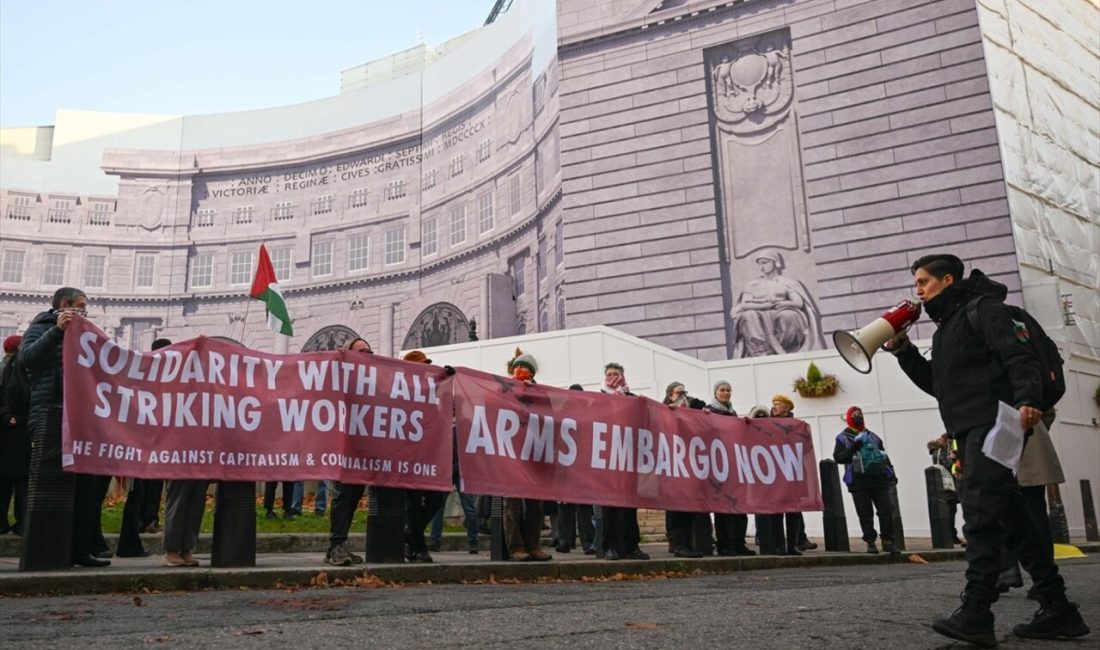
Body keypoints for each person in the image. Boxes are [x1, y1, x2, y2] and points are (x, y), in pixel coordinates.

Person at [887, 253, 1088, 644]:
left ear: (947, 280)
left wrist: (1028, 399)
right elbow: (939, 386)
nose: (918, 290)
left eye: (923, 282)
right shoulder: (947, 329)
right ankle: (1058, 608)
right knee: (1011, 516)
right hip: (973, 426)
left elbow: (1020, 356)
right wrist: (904, 352)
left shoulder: (986, 311)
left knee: (978, 512)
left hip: (997, 422)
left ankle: (977, 612)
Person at [18, 287, 109, 567]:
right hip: (49, 415)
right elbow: (27, 359)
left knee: (84, 486)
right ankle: (47, 550)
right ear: (64, 304)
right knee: (51, 484)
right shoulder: (41, 327)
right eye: (80, 306)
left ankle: (80, 549)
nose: (84, 311)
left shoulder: (84, 333)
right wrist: (56, 332)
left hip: (79, 418)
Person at [324, 337, 373, 566]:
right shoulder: (340, 376)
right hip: (342, 448)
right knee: (343, 496)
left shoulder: (377, 378)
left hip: (362, 449)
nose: (367, 354)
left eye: (369, 351)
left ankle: (337, 545)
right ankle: (336, 545)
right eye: (361, 351)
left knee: (353, 497)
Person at [502, 349, 551, 562]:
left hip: (534, 454)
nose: (520, 371)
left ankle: (533, 546)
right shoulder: (504, 389)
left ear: (532, 373)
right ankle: (515, 548)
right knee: (512, 505)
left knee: (536, 506)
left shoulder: (541, 393)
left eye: (525, 368)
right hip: (511, 455)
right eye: (517, 367)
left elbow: (549, 418)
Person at [729, 250, 824, 357]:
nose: (761, 267)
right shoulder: (753, 285)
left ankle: (784, 350)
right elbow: (745, 305)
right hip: (759, 314)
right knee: (748, 315)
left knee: (789, 316)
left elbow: (799, 302)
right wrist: (766, 305)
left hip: (781, 310)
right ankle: (762, 351)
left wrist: (783, 303)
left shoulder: (787, 282)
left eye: (764, 263)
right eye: (759, 264)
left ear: (775, 262)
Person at [833, 406, 900, 555]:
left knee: (886, 510)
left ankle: (888, 541)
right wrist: (853, 447)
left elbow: (883, 455)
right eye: (855, 415)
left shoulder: (873, 436)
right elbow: (838, 458)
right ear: (849, 417)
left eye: (860, 415)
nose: (858, 417)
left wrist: (891, 473)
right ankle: (870, 541)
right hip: (858, 481)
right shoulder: (842, 438)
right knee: (865, 513)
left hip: (879, 479)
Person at [401, 349, 448, 564]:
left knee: (437, 496)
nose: (426, 369)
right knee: (412, 501)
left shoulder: (432, 390)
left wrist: (448, 379)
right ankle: (419, 547)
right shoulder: (400, 390)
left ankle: (409, 536)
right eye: (422, 365)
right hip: (408, 453)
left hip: (429, 454)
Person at [598, 363, 648, 561]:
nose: (612, 377)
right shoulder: (599, 398)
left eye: (616, 374)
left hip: (628, 458)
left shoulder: (633, 399)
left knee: (629, 505)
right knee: (609, 506)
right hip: (608, 458)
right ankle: (610, 546)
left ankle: (631, 546)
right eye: (609, 375)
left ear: (623, 376)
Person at [706, 380, 754, 556]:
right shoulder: (709, 411)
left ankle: (738, 543)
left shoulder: (733, 413)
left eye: (728, 390)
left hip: (734, 466)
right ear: (716, 392)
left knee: (739, 507)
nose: (726, 393)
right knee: (723, 509)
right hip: (719, 466)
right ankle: (725, 544)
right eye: (722, 390)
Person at [664, 382, 704, 558]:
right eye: (677, 392)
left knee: (689, 508)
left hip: (689, 464)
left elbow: (701, 405)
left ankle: (689, 544)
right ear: (669, 395)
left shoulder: (690, 409)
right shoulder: (664, 410)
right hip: (673, 466)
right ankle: (679, 544)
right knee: (676, 508)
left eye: (683, 392)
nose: (681, 395)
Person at [554, 384, 596, 555]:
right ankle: (580, 542)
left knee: (578, 507)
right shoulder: (584, 413)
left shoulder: (585, 413)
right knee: (572, 507)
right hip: (569, 465)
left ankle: (570, 541)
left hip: (575, 465)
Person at [0, 335, 30, 536]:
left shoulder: (7, 369)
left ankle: (4, 522)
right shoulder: (24, 370)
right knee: (20, 484)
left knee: (6, 484)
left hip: (10, 433)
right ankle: (20, 522)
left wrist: (8, 417)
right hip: (19, 434)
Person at [928, 434, 964, 546]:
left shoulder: (936, 451)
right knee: (950, 510)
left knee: (949, 510)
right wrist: (954, 459)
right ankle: (951, 536)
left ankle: (951, 535)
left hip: (942, 485)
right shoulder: (941, 451)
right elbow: (948, 465)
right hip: (947, 485)